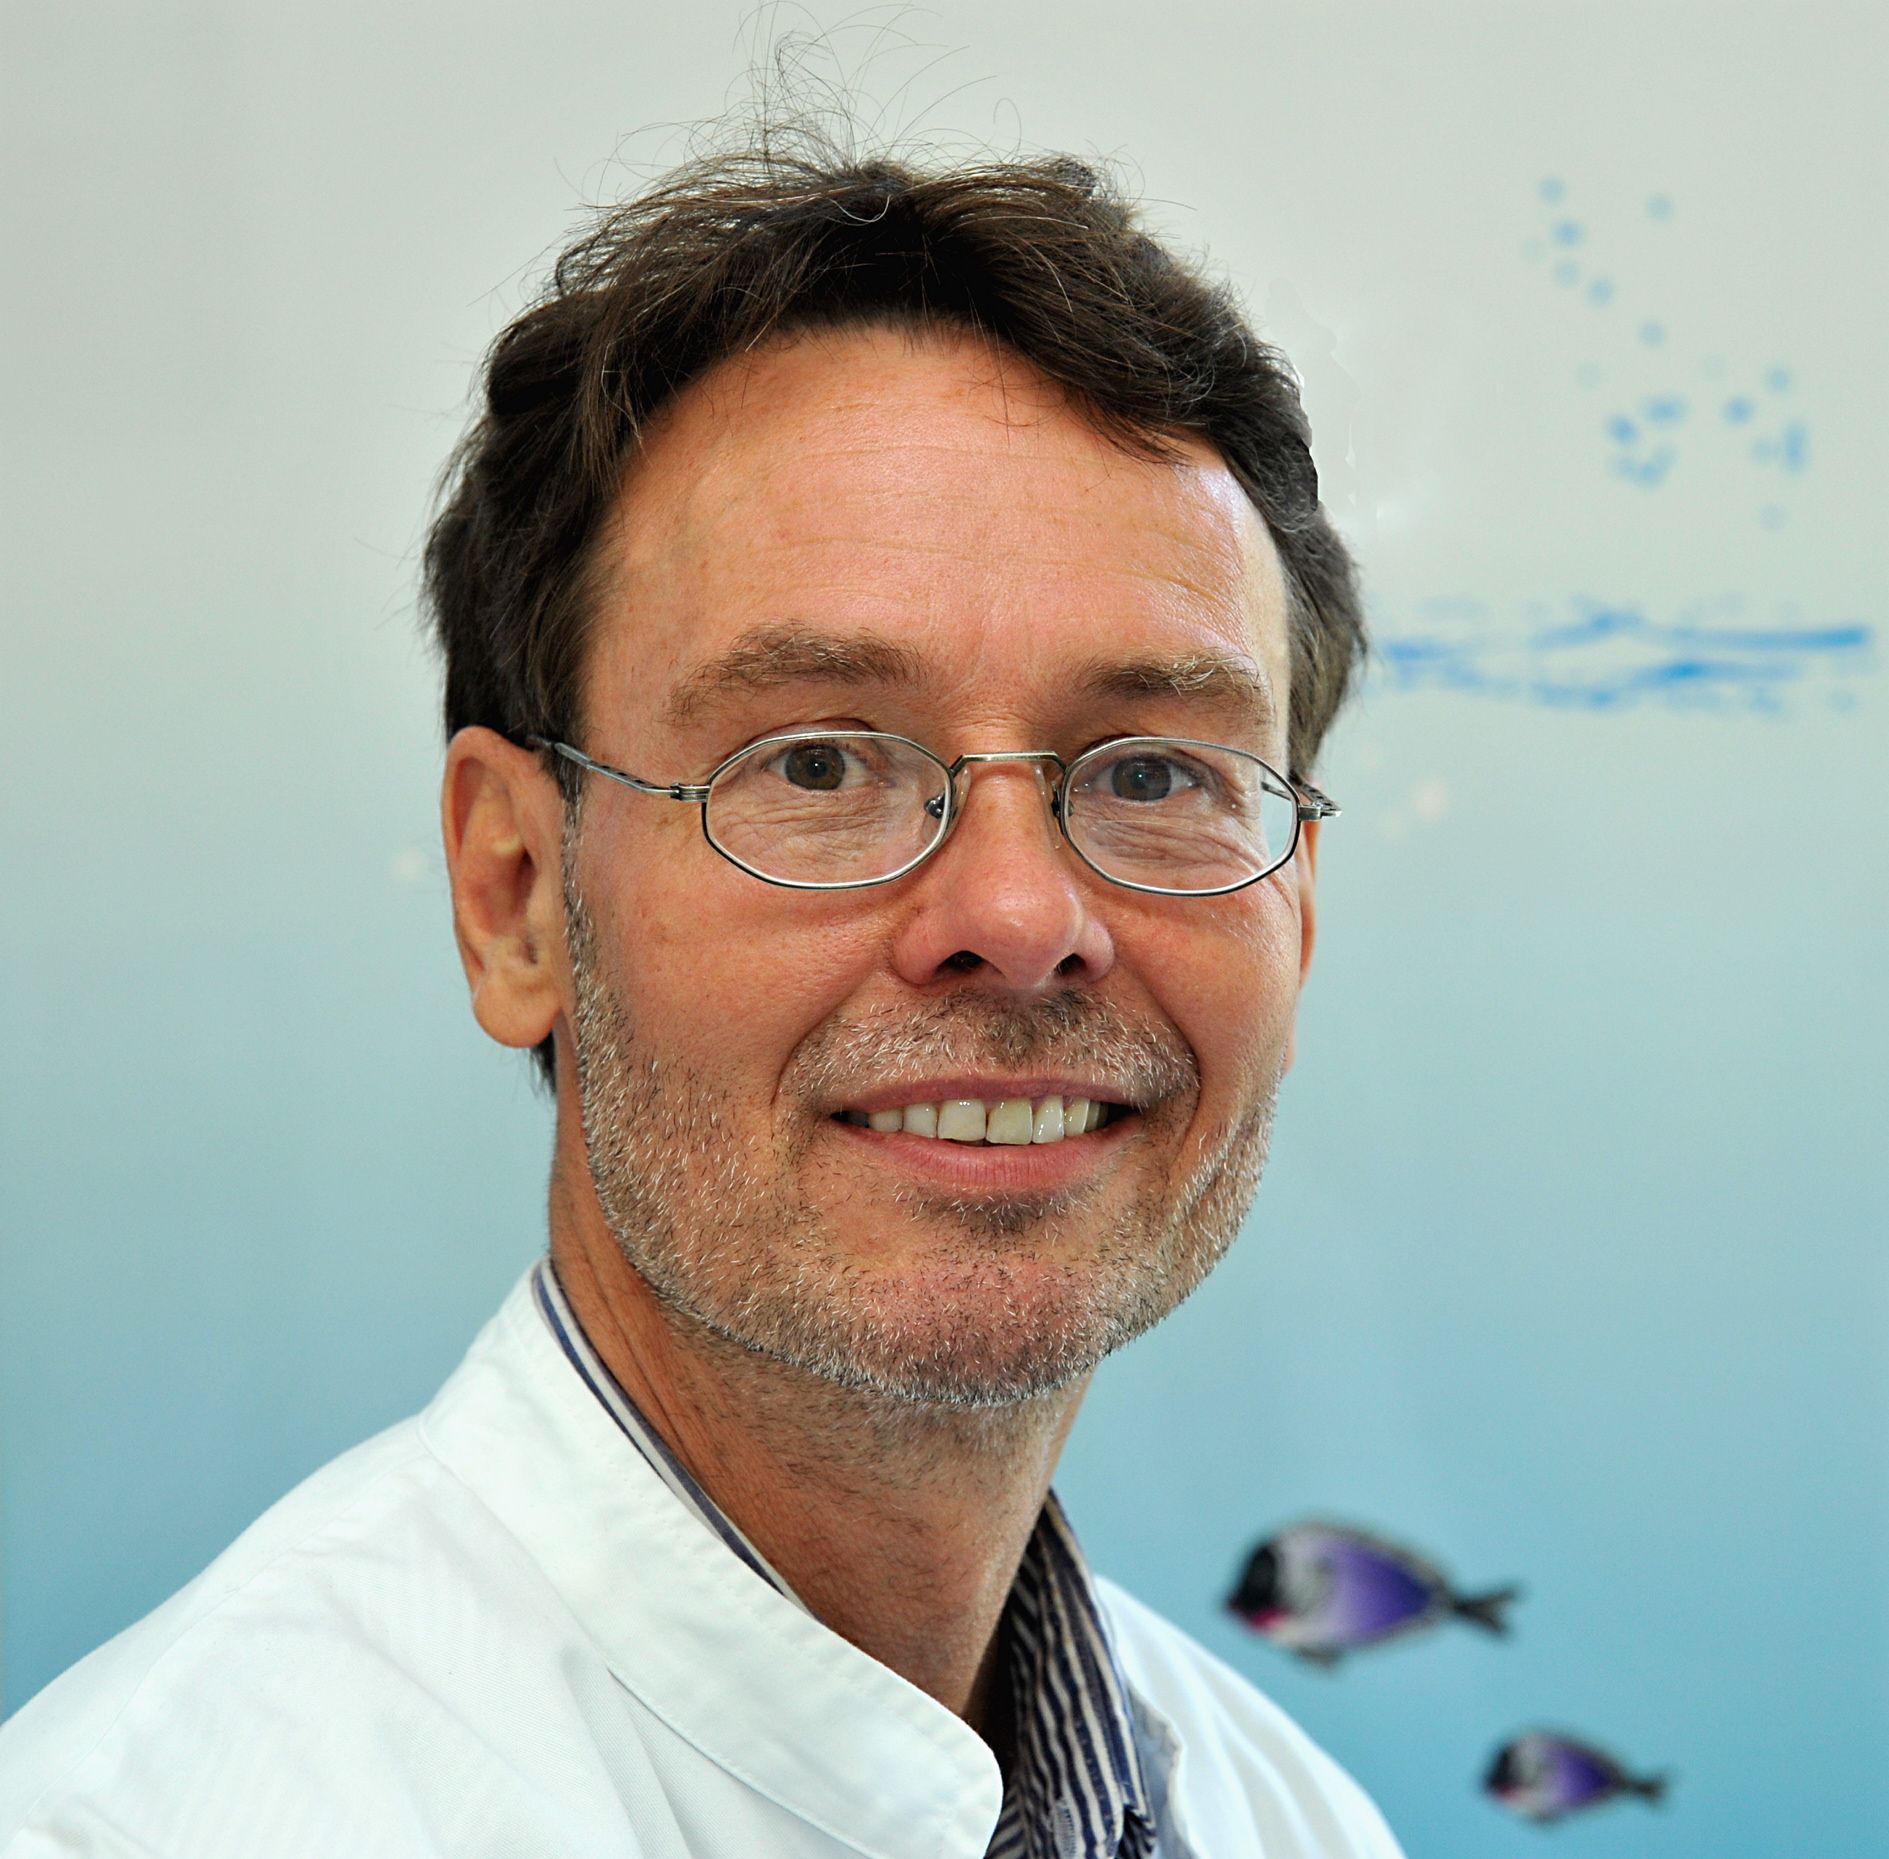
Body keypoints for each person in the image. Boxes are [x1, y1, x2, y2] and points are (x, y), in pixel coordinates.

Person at [0, 135, 1401, 1858]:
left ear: (1296, 903)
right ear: (516, 894)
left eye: (1154, 774)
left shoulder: (1294, 1822)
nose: (1019, 916)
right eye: (816, 763)